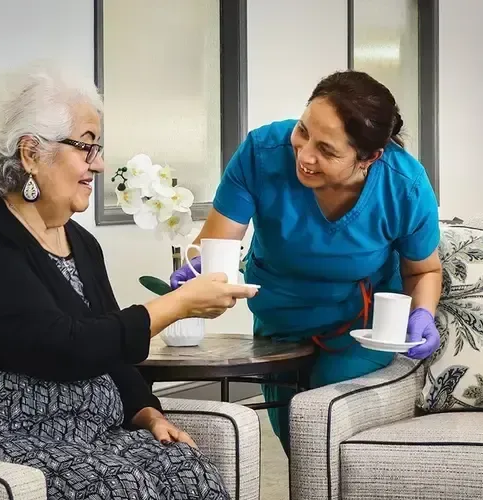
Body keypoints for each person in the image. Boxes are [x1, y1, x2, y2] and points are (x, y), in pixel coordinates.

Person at [0, 61, 256, 500]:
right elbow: (60, 346)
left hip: (76, 432)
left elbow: (109, 350)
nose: (99, 164)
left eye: (98, 148)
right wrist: (176, 305)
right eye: (85, 147)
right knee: (120, 486)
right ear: (31, 153)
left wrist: (146, 411)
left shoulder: (81, 242)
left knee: (188, 470)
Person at [170, 70, 442, 454]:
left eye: (327, 151)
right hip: (281, 322)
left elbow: (424, 269)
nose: (305, 155)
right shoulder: (261, 153)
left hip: (359, 329)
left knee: (318, 418)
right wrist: (197, 273)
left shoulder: (403, 185)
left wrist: (423, 313)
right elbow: (217, 244)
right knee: (296, 444)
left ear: (370, 157)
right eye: (302, 131)